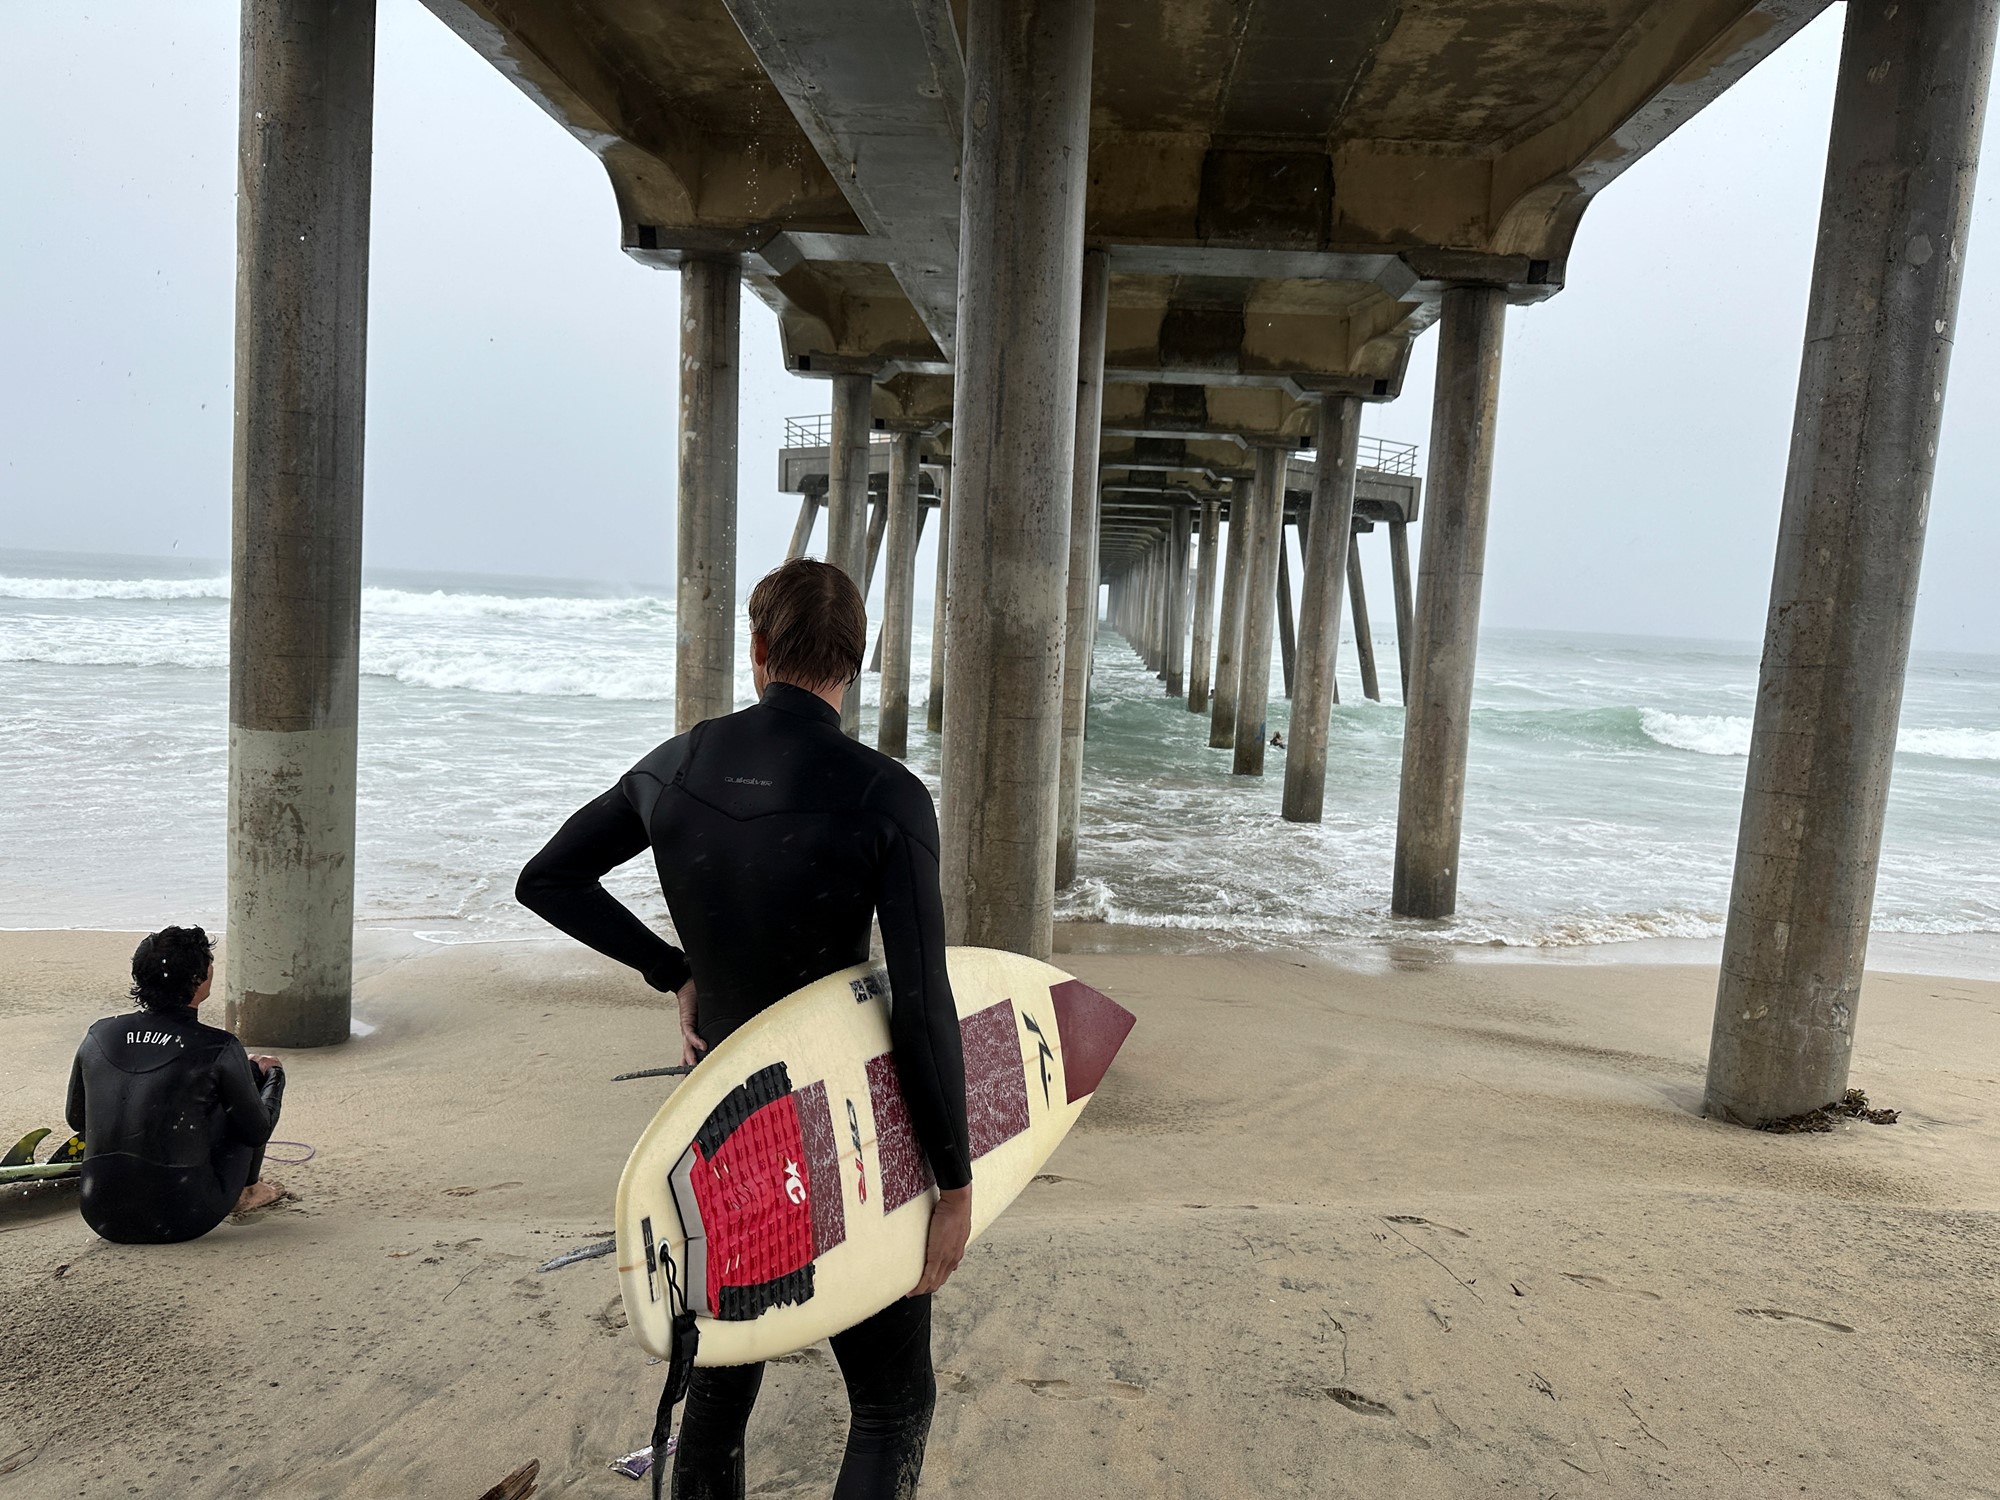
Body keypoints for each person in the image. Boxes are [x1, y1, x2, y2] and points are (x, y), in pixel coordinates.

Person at [517, 558, 972, 1500]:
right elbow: (922, 1003)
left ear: (756, 651)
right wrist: (954, 1177)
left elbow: (548, 879)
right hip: (841, 1119)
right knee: (890, 1403)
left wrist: (672, 969)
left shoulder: (677, 764)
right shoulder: (890, 796)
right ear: (862, 658)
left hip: (718, 1120)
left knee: (720, 1395)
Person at [66, 925, 287, 1243]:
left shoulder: (99, 1034)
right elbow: (256, 1132)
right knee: (256, 1075)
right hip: (184, 1215)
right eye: (210, 964)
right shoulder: (218, 1047)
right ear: (198, 980)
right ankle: (248, 1191)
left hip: (102, 1213)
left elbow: (77, 1119)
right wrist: (274, 1075)